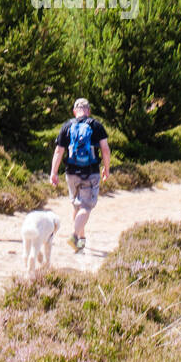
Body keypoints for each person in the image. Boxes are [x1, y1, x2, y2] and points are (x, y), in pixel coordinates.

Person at [49, 98, 110, 252]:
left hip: (71, 173)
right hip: (91, 172)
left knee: (77, 206)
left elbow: (58, 151)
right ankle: (75, 235)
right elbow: (105, 149)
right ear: (88, 111)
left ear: (75, 111)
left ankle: (80, 244)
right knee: (86, 206)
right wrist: (106, 168)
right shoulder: (96, 125)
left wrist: (53, 172)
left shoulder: (67, 126)